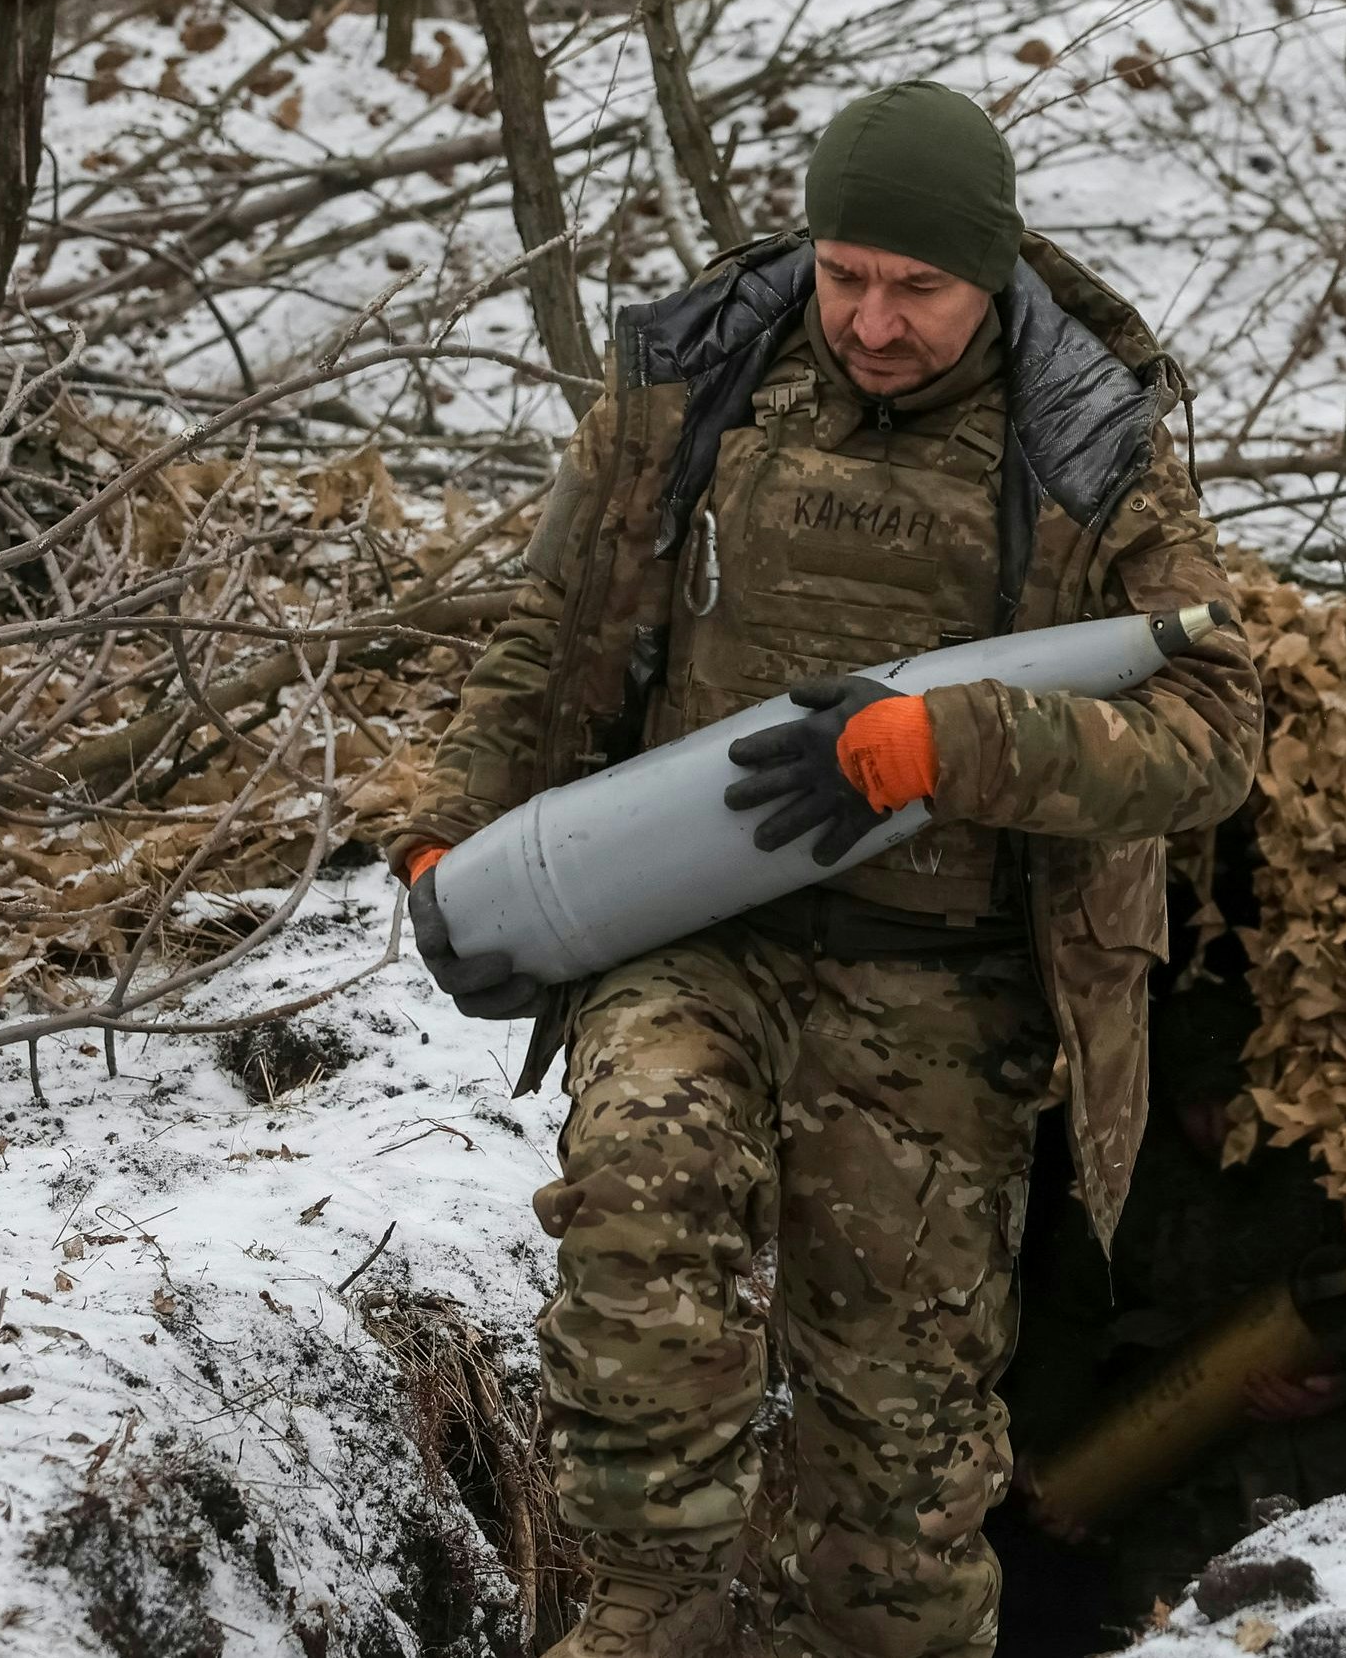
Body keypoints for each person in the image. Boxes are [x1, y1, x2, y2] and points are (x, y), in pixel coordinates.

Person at [384, 81, 1262, 1658]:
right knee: (645, 1193)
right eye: (847, 273)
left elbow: (1211, 725)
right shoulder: (697, 388)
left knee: (897, 1500)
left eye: (918, 288)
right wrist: (452, 827)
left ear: (990, 277)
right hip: (688, 923)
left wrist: (952, 747)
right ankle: (648, 1608)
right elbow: (546, 631)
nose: (872, 318)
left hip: (942, 988)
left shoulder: (1087, 444)